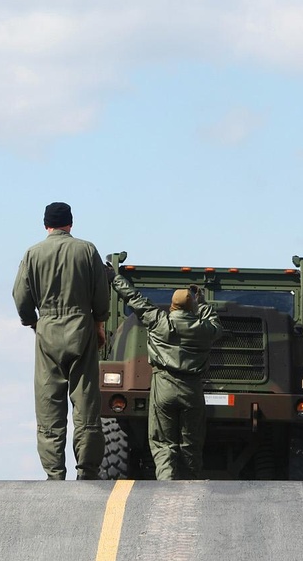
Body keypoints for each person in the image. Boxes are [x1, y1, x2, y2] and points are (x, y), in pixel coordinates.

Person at [13, 202, 110, 480]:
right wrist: (99, 324)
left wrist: (33, 322)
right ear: (70, 223)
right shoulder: (87, 250)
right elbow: (101, 295)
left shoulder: (33, 253)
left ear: (46, 225)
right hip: (82, 328)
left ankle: (54, 474)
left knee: (49, 404)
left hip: (48, 330)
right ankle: (87, 471)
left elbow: (20, 297)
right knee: (86, 403)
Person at [109, 271, 224, 479]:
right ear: (193, 307)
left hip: (163, 386)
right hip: (192, 389)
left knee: (163, 443)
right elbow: (215, 324)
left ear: (172, 305)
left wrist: (115, 278)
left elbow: (134, 299)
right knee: (190, 443)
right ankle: (190, 486)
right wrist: (202, 303)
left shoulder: (158, 321)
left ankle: (166, 485)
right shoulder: (204, 328)